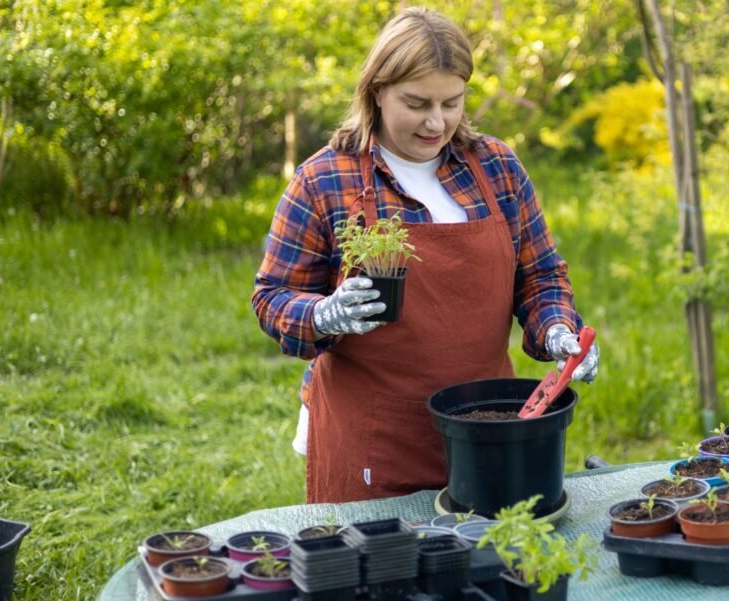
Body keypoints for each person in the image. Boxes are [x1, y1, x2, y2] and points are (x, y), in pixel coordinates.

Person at [251, 7, 599, 504]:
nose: (437, 122)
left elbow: (539, 276)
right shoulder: (326, 179)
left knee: (491, 569)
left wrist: (560, 331)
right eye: (416, 104)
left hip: (490, 426)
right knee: (379, 574)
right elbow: (272, 298)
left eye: (452, 103)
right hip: (376, 439)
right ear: (377, 91)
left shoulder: (496, 167)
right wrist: (323, 314)